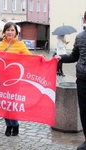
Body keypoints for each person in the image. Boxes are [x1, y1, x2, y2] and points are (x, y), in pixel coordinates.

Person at [56, 12, 86, 150]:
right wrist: (60, 58)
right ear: (85, 20)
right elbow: (74, 56)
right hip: (82, 80)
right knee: (84, 112)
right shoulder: (80, 37)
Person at [0, 22, 32, 137]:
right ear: (4, 32)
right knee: (4, 103)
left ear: (16, 32)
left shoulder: (20, 44)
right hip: (2, 79)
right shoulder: (0, 45)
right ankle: (8, 125)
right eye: (7, 30)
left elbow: (30, 57)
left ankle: (15, 124)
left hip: (14, 80)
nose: (10, 32)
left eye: (12, 30)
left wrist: (42, 59)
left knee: (12, 103)